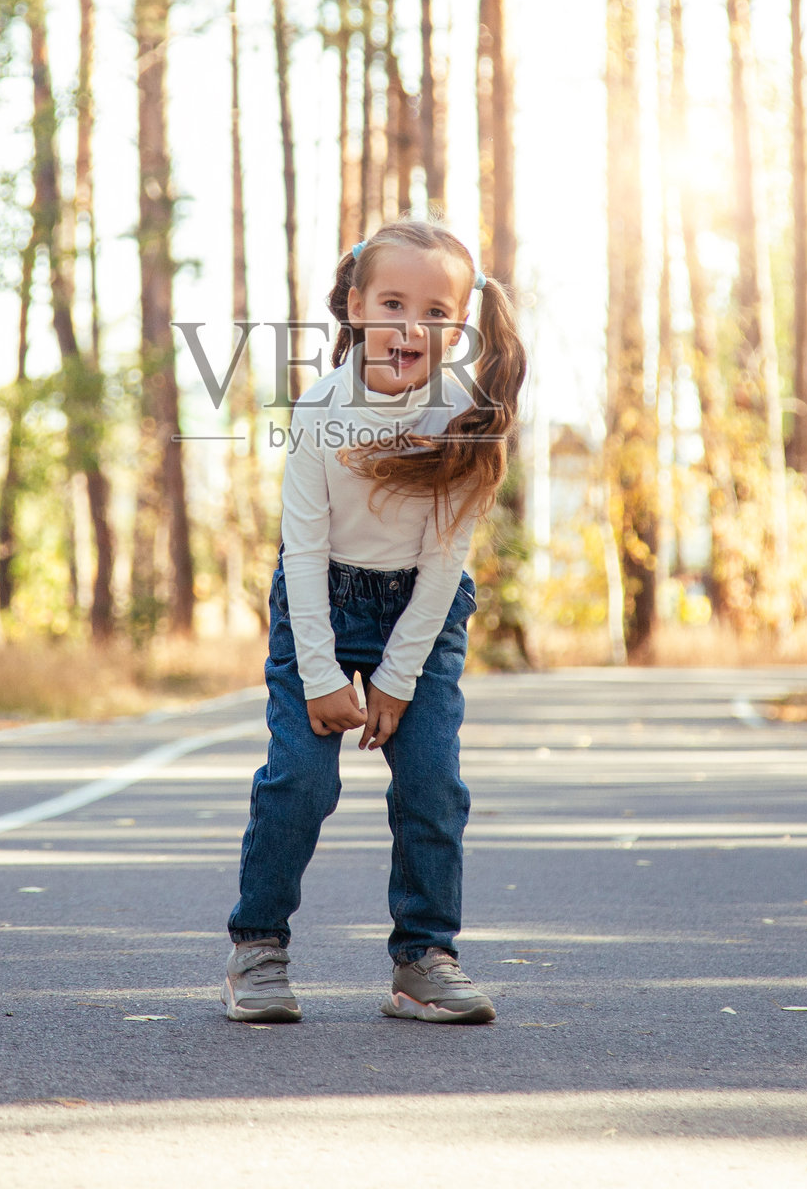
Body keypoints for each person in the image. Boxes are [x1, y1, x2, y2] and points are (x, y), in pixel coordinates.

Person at [222, 218, 526, 1024]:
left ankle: (423, 959)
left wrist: (396, 680)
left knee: (431, 784)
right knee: (300, 779)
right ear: (355, 307)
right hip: (318, 600)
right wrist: (321, 677)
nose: (410, 327)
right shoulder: (322, 411)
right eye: (392, 303)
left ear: (459, 328)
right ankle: (257, 948)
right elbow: (302, 550)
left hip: (420, 615)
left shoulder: (465, 415)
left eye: (435, 313)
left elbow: (444, 563)